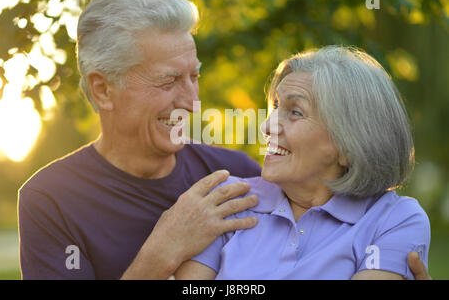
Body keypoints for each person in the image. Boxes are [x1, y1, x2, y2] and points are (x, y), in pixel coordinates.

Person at [18, 0, 430, 280]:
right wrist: (161, 252)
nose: (189, 99)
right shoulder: (50, 200)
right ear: (103, 90)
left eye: (194, 76)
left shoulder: (235, 177)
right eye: (168, 81)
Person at [175, 46, 431, 280]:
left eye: (295, 112)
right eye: (275, 107)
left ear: (349, 144)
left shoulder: (394, 220)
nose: (267, 126)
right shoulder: (228, 198)